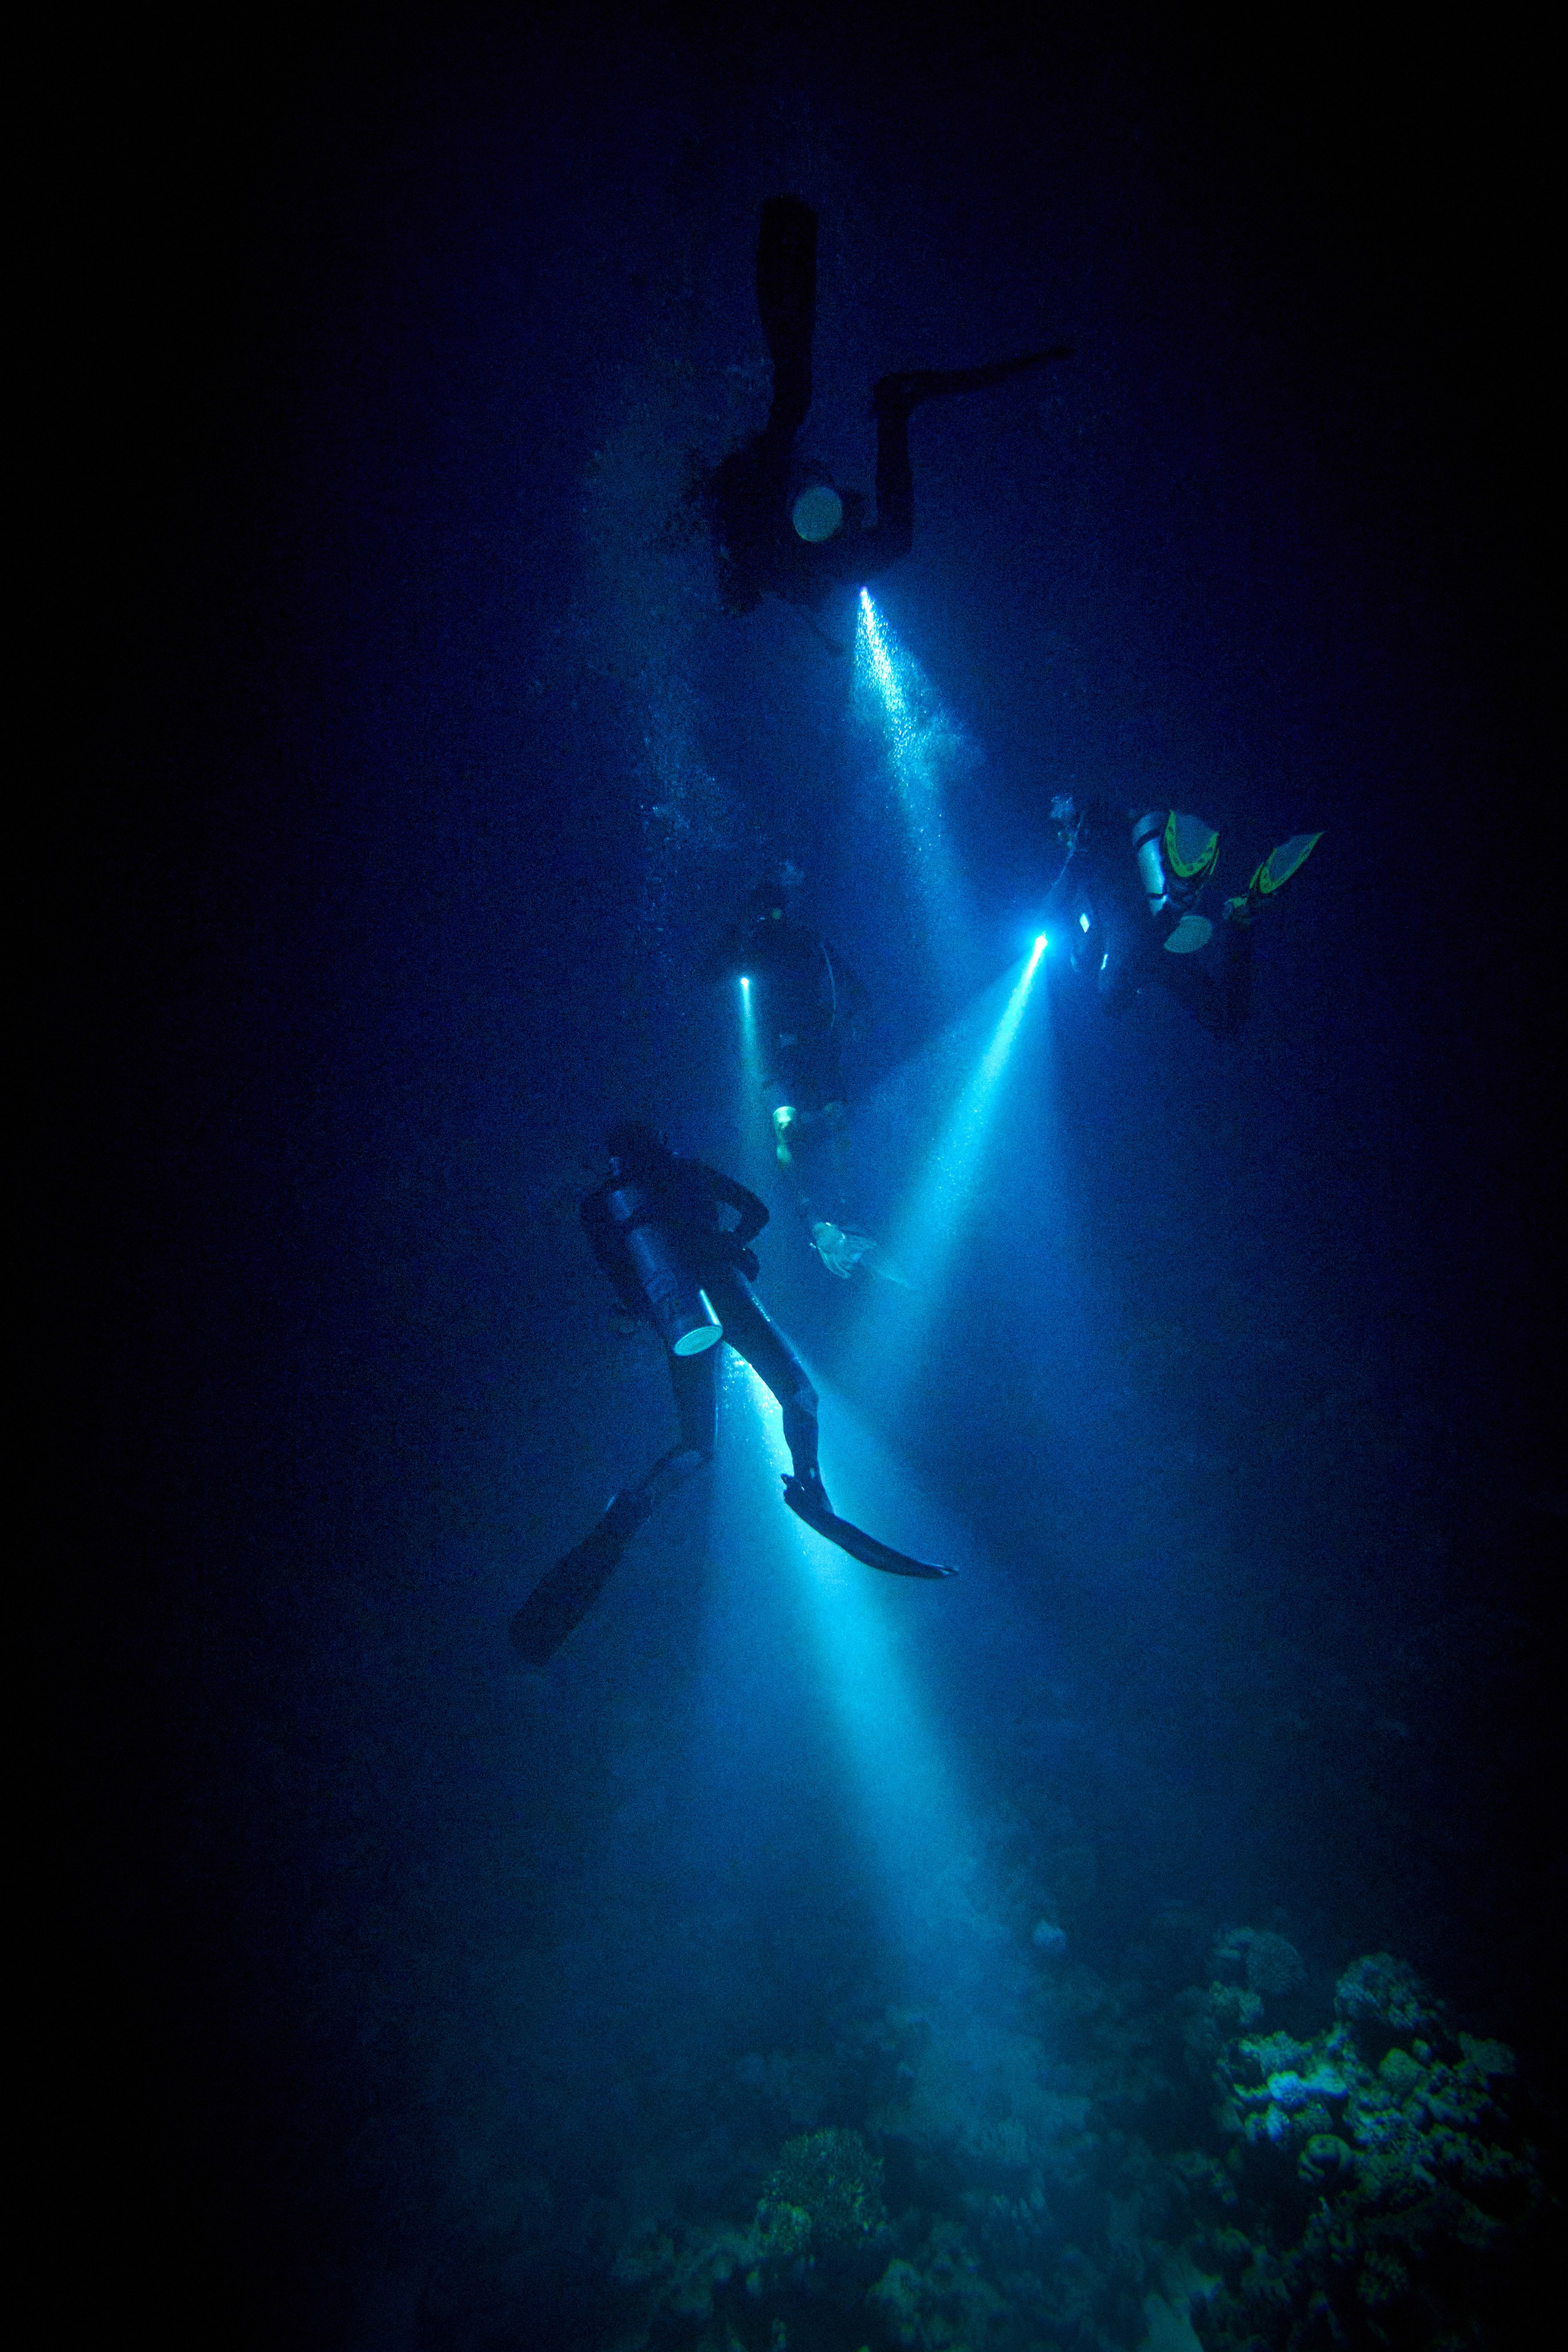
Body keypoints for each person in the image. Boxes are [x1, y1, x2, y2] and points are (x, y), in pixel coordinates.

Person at [510, 1124, 951, 1664]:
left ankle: (628, 1513)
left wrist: (653, 1310)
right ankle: (810, 1490)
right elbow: (758, 1211)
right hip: (725, 1288)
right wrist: (730, 1244)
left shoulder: (603, 1206)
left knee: (696, 1444)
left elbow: (621, 1282)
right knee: (799, 1395)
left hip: (678, 1317)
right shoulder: (685, 1172)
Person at [701, 197, 1069, 619]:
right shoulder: (762, 558)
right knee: (795, 408)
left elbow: (739, 497)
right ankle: (894, 409)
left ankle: (786, 241)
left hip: (774, 491)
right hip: (790, 510)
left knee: (793, 404)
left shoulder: (741, 535)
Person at [706, 874, 886, 1278]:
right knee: (786, 1125)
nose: (774, 918)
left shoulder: (807, 938)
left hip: (815, 1043)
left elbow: (846, 978)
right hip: (775, 1048)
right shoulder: (751, 945)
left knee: (836, 1119)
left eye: (777, 910)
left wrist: (856, 1016)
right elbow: (711, 974)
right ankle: (814, 1220)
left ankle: (849, 1214)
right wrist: (735, 932)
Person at [1048, 794, 1321, 1040]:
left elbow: (1072, 905)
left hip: (1138, 926)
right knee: (1225, 1019)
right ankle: (1243, 915)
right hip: (1153, 938)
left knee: (1111, 998)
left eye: (1062, 832)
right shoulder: (1105, 824)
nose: (1064, 840)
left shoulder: (1085, 848)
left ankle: (1184, 899)